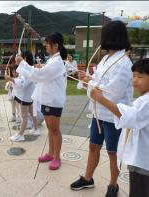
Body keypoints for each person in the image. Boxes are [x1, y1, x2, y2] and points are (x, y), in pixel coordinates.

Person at [70, 21, 133, 197]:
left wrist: (90, 83)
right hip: (98, 112)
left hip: (113, 114)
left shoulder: (124, 63)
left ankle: (113, 185)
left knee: (113, 152)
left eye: (104, 35)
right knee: (93, 146)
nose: (101, 39)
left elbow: (110, 93)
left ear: (112, 37)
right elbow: (99, 80)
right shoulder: (106, 58)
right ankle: (88, 178)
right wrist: (88, 77)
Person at [90, 58, 149, 197]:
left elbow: (130, 117)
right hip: (140, 157)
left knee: (140, 191)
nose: (135, 80)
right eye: (133, 76)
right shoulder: (143, 100)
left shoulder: (146, 102)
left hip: (143, 160)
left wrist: (101, 98)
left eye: (140, 76)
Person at [15, 32, 67, 170]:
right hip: (47, 99)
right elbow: (43, 72)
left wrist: (23, 63)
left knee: (55, 129)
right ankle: (51, 153)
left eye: (48, 44)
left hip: (53, 100)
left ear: (56, 45)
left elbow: (40, 75)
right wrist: (38, 67)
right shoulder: (52, 60)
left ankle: (57, 157)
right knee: (50, 129)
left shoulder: (57, 62)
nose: (46, 46)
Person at [6, 51, 40, 142]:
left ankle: (20, 134)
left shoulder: (28, 71)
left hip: (25, 97)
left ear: (24, 59)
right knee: (32, 114)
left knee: (24, 116)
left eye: (20, 57)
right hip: (29, 96)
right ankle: (36, 129)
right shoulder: (27, 69)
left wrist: (11, 79)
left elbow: (22, 84)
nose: (17, 58)